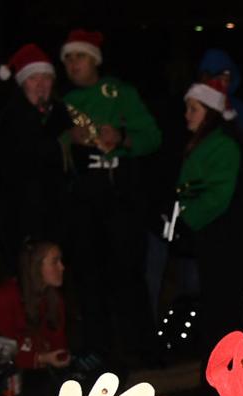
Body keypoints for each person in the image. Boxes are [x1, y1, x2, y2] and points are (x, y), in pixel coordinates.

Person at [60, 28, 161, 365]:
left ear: (95, 60)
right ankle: (97, 350)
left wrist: (122, 137)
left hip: (120, 195)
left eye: (80, 56)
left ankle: (142, 350)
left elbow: (152, 136)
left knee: (129, 274)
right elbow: (47, 148)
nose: (73, 64)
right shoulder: (64, 103)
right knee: (89, 275)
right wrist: (68, 139)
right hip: (84, 200)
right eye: (68, 58)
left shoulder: (121, 93)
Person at [176, 77, 243, 367]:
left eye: (193, 109)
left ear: (210, 111)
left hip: (224, 238)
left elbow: (217, 195)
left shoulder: (223, 145)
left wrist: (185, 217)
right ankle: (224, 372)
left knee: (224, 310)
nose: (187, 115)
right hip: (215, 237)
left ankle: (227, 373)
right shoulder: (210, 142)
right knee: (220, 308)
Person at [0, 44, 72, 267]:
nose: (40, 85)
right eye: (33, 79)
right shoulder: (10, 120)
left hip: (57, 217)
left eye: (46, 78)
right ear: (22, 83)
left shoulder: (62, 114)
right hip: (22, 218)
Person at [0, 241, 71, 396]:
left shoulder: (52, 299)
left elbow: (57, 341)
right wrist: (39, 358)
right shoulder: (4, 297)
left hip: (41, 378)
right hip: (8, 384)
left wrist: (59, 356)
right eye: (55, 261)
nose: (62, 267)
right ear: (37, 266)